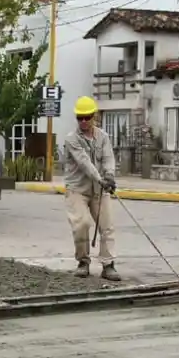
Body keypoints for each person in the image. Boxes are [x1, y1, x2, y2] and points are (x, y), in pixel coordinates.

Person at [61, 95, 120, 281]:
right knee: (82, 224)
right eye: (80, 117)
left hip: (99, 189)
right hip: (77, 189)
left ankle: (108, 265)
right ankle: (83, 262)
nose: (84, 121)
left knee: (107, 226)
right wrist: (100, 178)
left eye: (87, 117)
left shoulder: (103, 137)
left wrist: (109, 175)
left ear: (94, 116)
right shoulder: (72, 139)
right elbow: (84, 162)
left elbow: (109, 158)